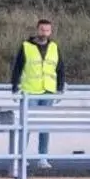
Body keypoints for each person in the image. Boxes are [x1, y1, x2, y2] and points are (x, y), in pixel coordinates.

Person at [11, 19, 65, 169]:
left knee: (45, 126)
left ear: (51, 31)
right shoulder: (26, 46)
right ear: (37, 30)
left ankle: (43, 157)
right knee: (26, 126)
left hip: (48, 91)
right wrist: (15, 87)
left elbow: (60, 68)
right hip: (30, 91)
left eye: (47, 30)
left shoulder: (54, 47)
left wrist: (60, 87)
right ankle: (23, 156)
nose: (45, 33)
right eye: (42, 30)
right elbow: (17, 67)